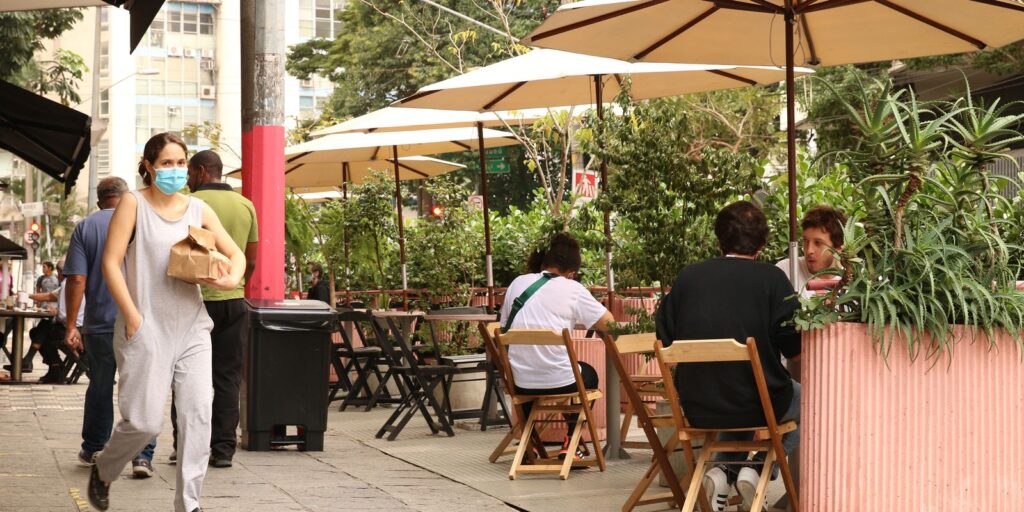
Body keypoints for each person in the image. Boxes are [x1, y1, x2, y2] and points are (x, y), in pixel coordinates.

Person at [86, 132, 246, 512]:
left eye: (180, 163)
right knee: (142, 423)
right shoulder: (133, 204)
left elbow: (235, 254)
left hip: (192, 327)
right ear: (149, 166)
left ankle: (188, 505)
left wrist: (230, 278)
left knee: (197, 415)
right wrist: (133, 316)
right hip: (145, 327)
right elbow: (111, 262)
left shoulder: (198, 209)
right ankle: (105, 468)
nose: (174, 170)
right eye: (166, 163)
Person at [655, 201, 801, 512]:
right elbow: (794, 348)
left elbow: (664, 339)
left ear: (719, 240)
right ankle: (759, 468)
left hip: (696, 406)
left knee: (742, 392)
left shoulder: (688, 278)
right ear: (762, 243)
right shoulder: (772, 280)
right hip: (757, 402)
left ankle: (721, 471)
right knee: (806, 398)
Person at [167, 149, 258, 468]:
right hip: (233, 301)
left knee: (184, 376)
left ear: (202, 171)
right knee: (228, 377)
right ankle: (223, 450)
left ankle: (184, 446)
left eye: (189, 171)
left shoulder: (186, 204)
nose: (186, 178)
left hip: (192, 301)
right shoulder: (245, 205)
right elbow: (251, 257)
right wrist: (236, 285)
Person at [64, 177, 159, 478]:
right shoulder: (143, 221)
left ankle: (94, 447)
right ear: (126, 196)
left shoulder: (86, 227)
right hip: (140, 321)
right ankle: (141, 457)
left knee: (101, 386)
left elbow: (76, 279)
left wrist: (71, 324)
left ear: (99, 201)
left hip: (101, 324)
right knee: (141, 389)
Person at [499, 232, 614, 461]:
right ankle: (571, 442)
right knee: (588, 374)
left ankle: (529, 443)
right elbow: (610, 323)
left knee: (533, 367)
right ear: (571, 272)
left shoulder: (517, 283)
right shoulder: (573, 289)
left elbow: (503, 328)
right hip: (559, 382)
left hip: (519, 383)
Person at [26, 257, 83, 383]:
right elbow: (50, 296)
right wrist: (28, 295)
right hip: (82, 330)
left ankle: (52, 366)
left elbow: (64, 316)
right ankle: (52, 367)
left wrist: (56, 313)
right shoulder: (77, 282)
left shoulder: (66, 284)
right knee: (40, 330)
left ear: (59, 273)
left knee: (42, 329)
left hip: (73, 332)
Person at [776, 205, 847, 298]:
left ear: (838, 247)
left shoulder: (856, 281)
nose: (809, 250)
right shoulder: (787, 270)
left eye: (818, 243)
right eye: (806, 241)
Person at [12, 261, 60, 373]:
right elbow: (42, 293)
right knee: (36, 331)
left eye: (44, 266)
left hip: (62, 321)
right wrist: (36, 304)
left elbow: (50, 296)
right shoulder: (41, 279)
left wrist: (27, 296)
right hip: (47, 308)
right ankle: (53, 364)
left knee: (42, 328)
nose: (43, 268)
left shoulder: (62, 282)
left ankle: (51, 364)